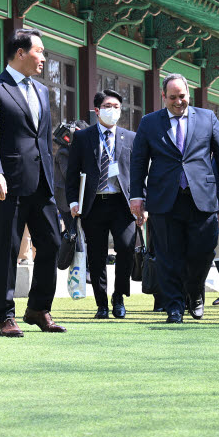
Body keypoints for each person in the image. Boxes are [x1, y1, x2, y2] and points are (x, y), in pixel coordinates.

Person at [0, 28, 65, 337]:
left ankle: (39, 308)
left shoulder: (41, 91)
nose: (43, 57)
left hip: (42, 183)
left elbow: (44, 139)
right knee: (8, 248)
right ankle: (4, 314)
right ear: (20, 53)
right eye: (39, 51)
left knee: (53, 242)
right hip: (9, 182)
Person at [129, 73, 219, 323]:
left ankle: (195, 293)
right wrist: (136, 196)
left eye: (182, 96)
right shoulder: (149, 122)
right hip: (164, 199)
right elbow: (138, 162)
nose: (178, 102)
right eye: (173, 97)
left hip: (202, 197)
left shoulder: (207, 118)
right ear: (163, 96)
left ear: (189, 95)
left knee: (202, 252)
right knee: (167, 255)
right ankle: (174, 306)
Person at [66, 89, 136, 319]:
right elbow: (72, 173)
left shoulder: (130, 137)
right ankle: (102, 303)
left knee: (126, 248)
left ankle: (119, 297)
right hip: (94, 203)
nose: (113, 110)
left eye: (117, 106)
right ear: (97, 110)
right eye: (108, 106)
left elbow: (138, 172)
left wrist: (141, 202)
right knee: (96, 256)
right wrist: (74, 201)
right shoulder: (83, 137)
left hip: (122, 204)